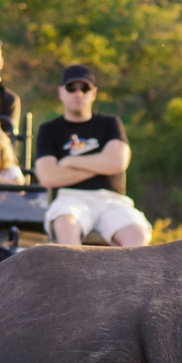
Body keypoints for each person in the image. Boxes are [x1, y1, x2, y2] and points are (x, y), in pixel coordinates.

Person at [35, 65, 149, 247]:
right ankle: (73, 276)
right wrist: (101, 166)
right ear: (61, 92)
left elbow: (118, 162)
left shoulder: (110, 123)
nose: (78, 93)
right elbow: (48, 177)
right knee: (65, 224)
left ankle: (122, 277)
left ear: (94, 93)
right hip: (70, 199)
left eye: (84, 88)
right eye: (71, 88)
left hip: (112, 201)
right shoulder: (49, 130)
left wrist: (69, 161)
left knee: (137, 234)